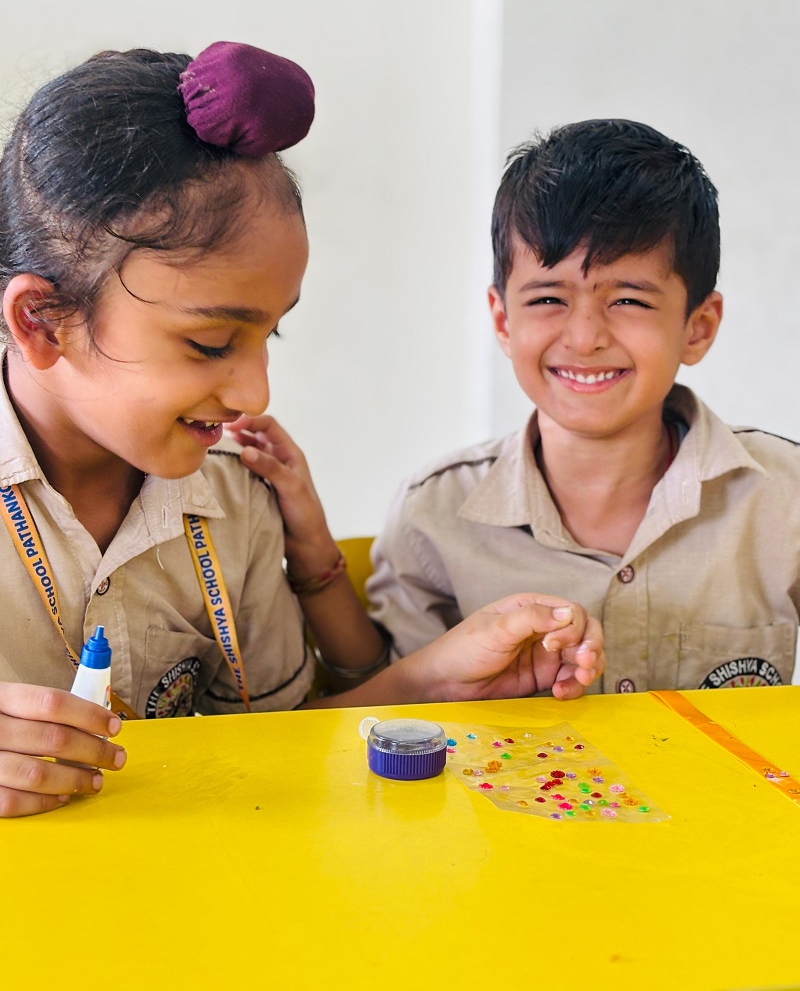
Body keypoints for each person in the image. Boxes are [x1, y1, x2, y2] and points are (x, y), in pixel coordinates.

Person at [0, 45, 603, 817]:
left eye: (270, 335)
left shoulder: (235, 499)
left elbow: (278, 746)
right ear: (41, 321)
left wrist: (435, 677)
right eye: (211, 343)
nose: (255, 393)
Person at [251, 119, 800, 697]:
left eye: (629, 301)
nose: (584, 338)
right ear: (502, 320)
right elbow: (391, 705)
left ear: (698, 327)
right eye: (547, 299)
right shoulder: (435, 513)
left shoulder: (784, 497)